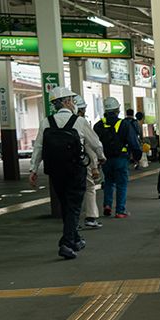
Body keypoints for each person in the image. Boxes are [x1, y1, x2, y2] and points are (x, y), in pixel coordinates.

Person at [29, 86, 103, 259]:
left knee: (66, 205)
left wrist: (33, 169)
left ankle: (76, 239)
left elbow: (38, 147)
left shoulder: (46, 122)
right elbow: (96, 144)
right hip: (75, 169)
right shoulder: (79, 122)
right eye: (71, 99)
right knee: (74, 206)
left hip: (55, 171)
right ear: (67, 101)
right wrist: (101, 158)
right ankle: (66, 243)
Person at [94, 96, 141, 218]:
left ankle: (107, 205)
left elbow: (94, 143)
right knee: (121, 184)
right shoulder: (124, 124)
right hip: (120, 158)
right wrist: (137, 156)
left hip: (105, 159)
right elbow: (133, 141)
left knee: (109, 182)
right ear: (117, 110)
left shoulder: (98, 125)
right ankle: (120, 210)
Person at [73, 95, 106, 229]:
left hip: (63, 163)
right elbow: (91, 145)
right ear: (82, 109)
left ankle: (72, 221)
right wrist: (96, 163)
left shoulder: (55, 120)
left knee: (70, 190)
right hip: (81, 161)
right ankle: (90, 218)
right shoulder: (81, 122)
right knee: (89, 187)